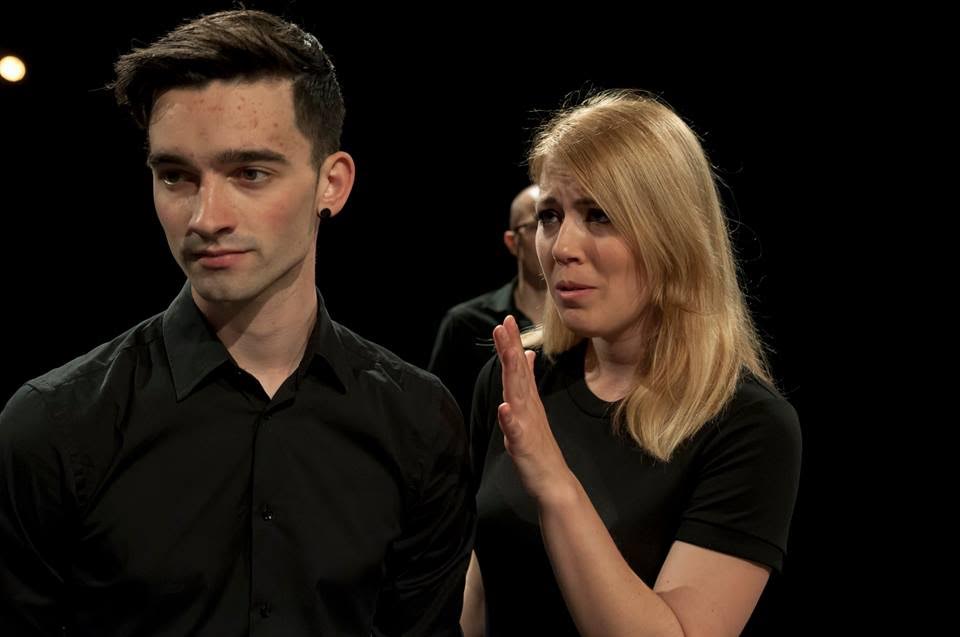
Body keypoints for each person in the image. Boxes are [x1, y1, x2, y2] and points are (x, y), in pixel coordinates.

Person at [0, 10, 473, 636]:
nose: (205, 217)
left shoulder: (418, 423)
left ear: (332, 184)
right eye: (176, 176)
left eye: (250, 174)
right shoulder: (53, 427)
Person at [463, 90, 801, 637]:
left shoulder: (749, 427)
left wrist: (554, 483)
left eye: (599, 215)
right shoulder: (521, 381)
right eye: (550, 216)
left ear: (673, 233)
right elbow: (476, 599)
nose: (562, 246)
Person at [429, 185, 546, 418]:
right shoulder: (465, 323)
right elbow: (438, 414)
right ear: (512, 242)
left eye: (554, 221)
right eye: (538, 223)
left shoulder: (586, 323)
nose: (551, 238)